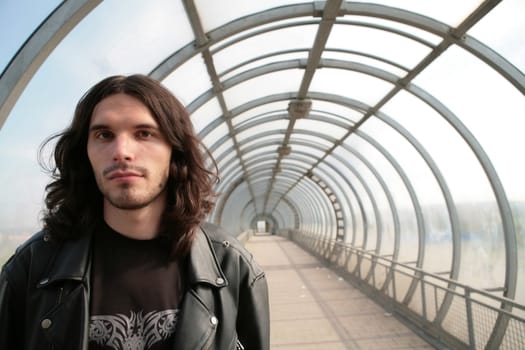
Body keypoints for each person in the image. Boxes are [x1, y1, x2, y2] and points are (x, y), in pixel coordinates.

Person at [0, 74, 270, 350]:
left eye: (144, 133)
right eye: (104, 135)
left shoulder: (230, 266)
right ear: (85, 153)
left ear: (174, 152)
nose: (122, 151)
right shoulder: (33, 267)